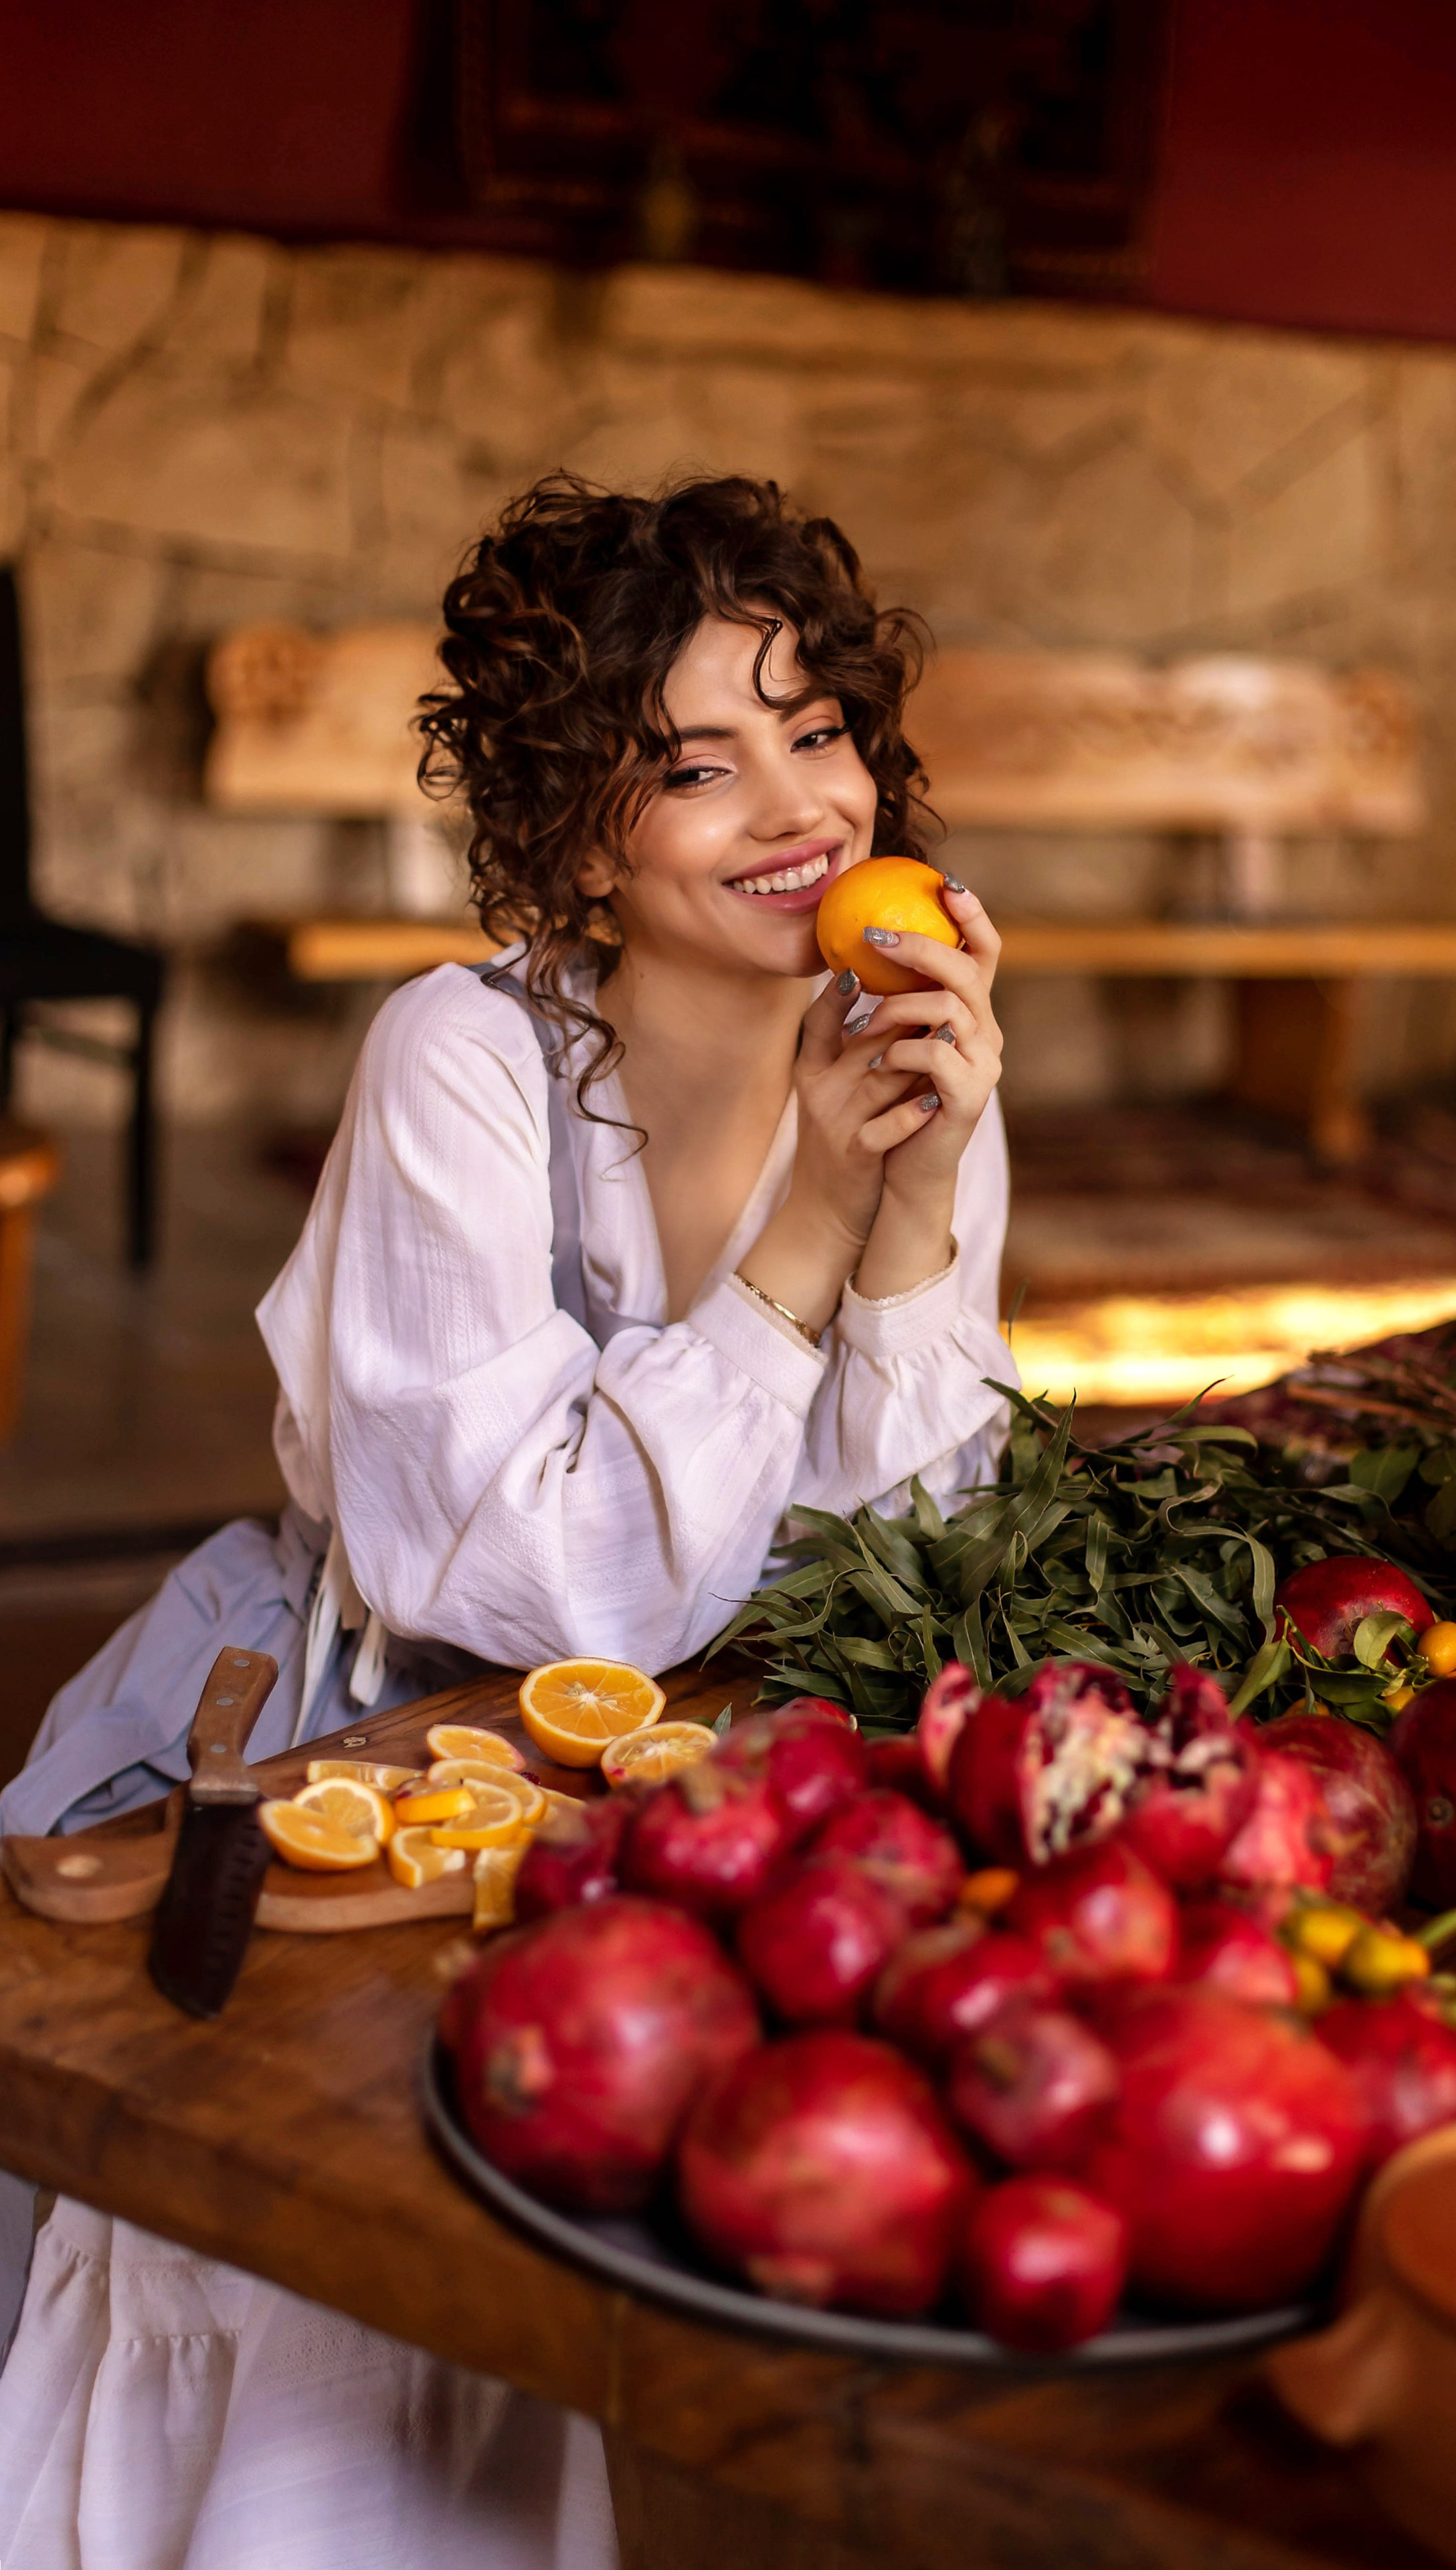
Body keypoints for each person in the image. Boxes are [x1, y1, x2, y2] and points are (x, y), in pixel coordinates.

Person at [0, 473, 1014, 2567]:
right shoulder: (462, 1061)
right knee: (334, 2321)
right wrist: (813, 1224)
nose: (796, 809)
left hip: (663, 1795)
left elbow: (907, 1583)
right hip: (362, 1742)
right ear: (578, 833)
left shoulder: (907, 1057)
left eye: (816, 730)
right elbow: (550, 1586)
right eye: (695, 766)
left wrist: (916, 1204)